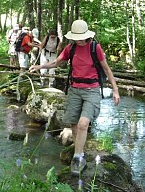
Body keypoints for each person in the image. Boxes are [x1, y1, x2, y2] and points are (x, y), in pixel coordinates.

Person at [30, 19, 120, 175]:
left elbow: (106, 69)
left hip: (92, 90)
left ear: (86, 36)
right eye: (75, 37)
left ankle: (78, 158)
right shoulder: (70, 48)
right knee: (73, 123)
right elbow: (56, 63)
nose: (78, 40)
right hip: (74, 90)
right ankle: (81, 151)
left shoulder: (95, 48)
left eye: (80, 37)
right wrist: (39, 66)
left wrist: (116, 90)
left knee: (83, 123)